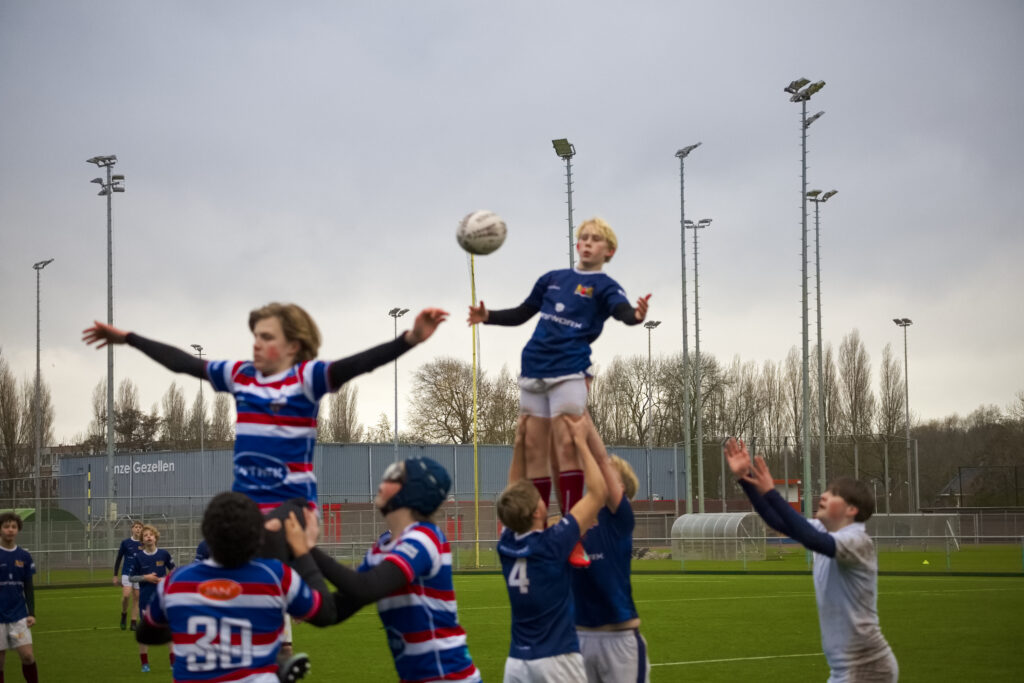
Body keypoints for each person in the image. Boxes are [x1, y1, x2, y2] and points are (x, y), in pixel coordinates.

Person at [82, 303, 448, 513]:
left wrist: (411, 338)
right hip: (246, 508)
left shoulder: (307, 378)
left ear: (293, 345)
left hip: (292, 510)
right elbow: (183, 363)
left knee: (280, 591)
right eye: (255, 335)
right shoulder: (240, 375)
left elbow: (359, 364)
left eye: (267, 337)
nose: (256, 343)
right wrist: (129, 339)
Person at [468, 217, 648, 565]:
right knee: (534, 448)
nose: (588, 242)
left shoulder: (605, 285)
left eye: (596, 239)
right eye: (583, 237)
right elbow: (523, 312)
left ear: (609, 251)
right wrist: (488, 316)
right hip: (534, 365)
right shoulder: (552, 278)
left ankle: (572, 535)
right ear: (577, 244)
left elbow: (622, 311)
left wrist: (636, 316)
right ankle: (537, 529)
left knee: (567, 445)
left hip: (569, 370)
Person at [725, 438, 898, 682]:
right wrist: (744, 478)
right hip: (844, 669)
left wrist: (772, 493)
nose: (824, 495)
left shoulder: (858, 541)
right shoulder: (823, 530)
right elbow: (778, 521)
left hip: (868, 666)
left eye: (834, 494)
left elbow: (812, 539)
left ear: (852, 510)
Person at [296, 456, 481, 683]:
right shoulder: (380, 551)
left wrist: (307, 549)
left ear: (413, 490)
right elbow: (332, 611)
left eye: (393, 476)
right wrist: (293, 594)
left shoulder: (424, 538)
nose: (382, 482)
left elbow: (365, 588)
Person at [137, 492, 337, 683]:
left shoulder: (175, 582)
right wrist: (304, 550)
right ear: (257, 535)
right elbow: (326, 612)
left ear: (207, 533)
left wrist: (185, 627)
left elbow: (145, 634)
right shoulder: (276, 576)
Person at [495, 415, 607, 683]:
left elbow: (512, 493)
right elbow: (598, 493)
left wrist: (519, 443)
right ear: (537, 512)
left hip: (517, 663)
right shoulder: (553, 543)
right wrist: (581, 442)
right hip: (557, 661)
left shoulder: (507, 544)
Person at [571, 446, 650, 682]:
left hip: (619, 637)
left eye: (606, 472)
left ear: (620, 488)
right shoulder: (579, 519)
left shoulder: (620, 519)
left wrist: (583, 437)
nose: (598, 472)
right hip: (579, 637)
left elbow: (600, 460)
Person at [127, 524, 174, 673]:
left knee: (169, 630)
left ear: (155, 538)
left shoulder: (164, 554)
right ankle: (144, 663)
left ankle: (173, 662)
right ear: (142, 540)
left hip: (163, 599)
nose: (148, 537)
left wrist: (164, 580)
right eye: (145, 535)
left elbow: (174, 572)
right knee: (145, 633)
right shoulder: (138, 557)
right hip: (146, 600)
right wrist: (146, 577)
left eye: (151, 535)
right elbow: (131, 577)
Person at [0, 512, 38, 683]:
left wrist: (32, 613)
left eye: (14, 527)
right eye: (6, 526)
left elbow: (28, 587)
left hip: (19, 615)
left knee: (28, 656)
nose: (10, 530)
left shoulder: (24, 556)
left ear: (18, 530)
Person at [113, 519, 144, 631]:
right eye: (136, 527)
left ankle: (133, 622)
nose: (138, 529)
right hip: (127, 573)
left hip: (139, 575)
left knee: (137, 597)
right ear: (132, 529)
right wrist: (115, 575)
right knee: (126, 595)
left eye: (140, 527)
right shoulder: (125, 543)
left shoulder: (144, 543)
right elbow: (119, 558)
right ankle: (124, 614)